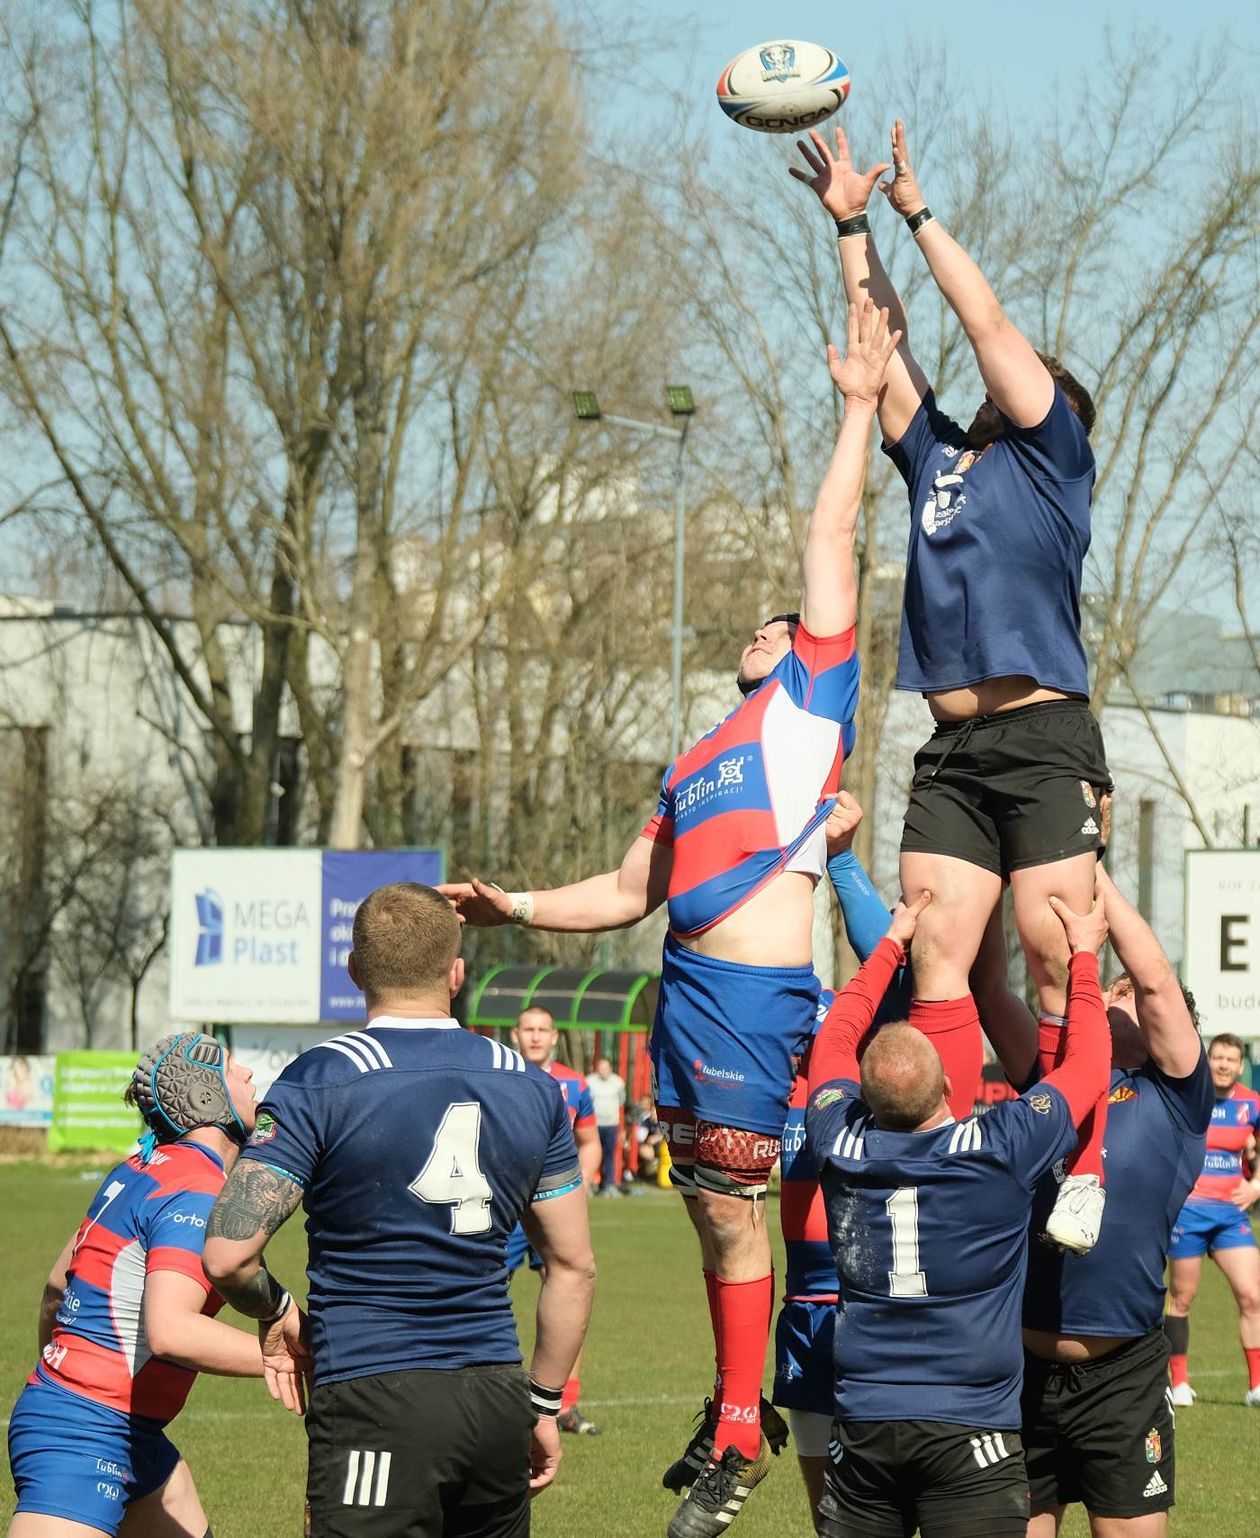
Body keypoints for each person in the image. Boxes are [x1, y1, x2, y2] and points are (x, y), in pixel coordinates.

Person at [440, 300, 900, 1538]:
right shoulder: (697, 756)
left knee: (741, 1209)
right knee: (729, 1208)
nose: (765, 624)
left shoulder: (810, 703)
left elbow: (832, 526)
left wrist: (858, 404)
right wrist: (517, 902)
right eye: (753, 624)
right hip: (687, 992)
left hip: (757, 1000)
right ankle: (747, 1399)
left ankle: (745, 1426)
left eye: (780, 618)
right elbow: (629, 889)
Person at [791, 118, 1111, 1252]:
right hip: (953, 749)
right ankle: (942, 1152)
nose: (1001, 386)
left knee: (1056, 947)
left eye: (1027, 384)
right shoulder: (943, 462)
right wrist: (848, 225)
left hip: (1044, 737)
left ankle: (1085, 1162)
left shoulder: (1056, 463)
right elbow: (882, 350)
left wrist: (920, 213)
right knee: (938, 948)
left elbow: (982, 325)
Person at [201, 882, 596, 1538]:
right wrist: (544, 1405)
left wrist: (278, 1315)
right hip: (496, 1396)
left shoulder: (321, 1078)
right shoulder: (533, 1086)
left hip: (373, 1391)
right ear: (457, 972)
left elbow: (227, 1253)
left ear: (355, 971)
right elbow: (573, 1267)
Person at [805, 880, 1112, 1538]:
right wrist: (1083, 957)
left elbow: (832, 1043)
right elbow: (1089, 1064)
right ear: (949, 1082)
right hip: (971, 1430)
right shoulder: (998, 1147)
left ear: (862, 1096)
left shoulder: (837, 1140)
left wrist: (891, 943)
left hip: (863, 1424)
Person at [977, 863, 1212, 1535]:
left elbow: (1158, 979)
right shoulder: (1055, 1081)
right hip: (1018, 1371)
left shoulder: (1176, 1097)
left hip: (1123, 1378)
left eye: (1125, 989)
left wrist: (1086, 868)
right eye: (1110, 983)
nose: (1117, 989)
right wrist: (992, 874)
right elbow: (991, 991)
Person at [7, 1033, 298, 1538]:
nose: (250, 1076)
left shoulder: (137, 1168)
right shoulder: (198, 1188)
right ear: (209, 1099)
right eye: (233, 1068)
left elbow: (57, 1287)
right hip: (84, 1437)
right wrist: (293, 1356)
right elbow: (171, 1331)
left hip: (121, 1431)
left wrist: (63, 1384)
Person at [507, 1006, 603, 1435]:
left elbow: (590, 1142)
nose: (535, 1036)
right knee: (489, 1294)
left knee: (570, 1292)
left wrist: (578, 1186)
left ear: (555, 1037)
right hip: (506, 1207)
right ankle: (496, 1395)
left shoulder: (574, 1084)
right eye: (528, 1029)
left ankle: (565, 1404)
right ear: (515, 1035)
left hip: (555, 1206)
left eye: (543, 1029)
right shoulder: (498, 1074)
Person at [1164, 1031, 1260, 1407]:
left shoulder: (1251, 1105)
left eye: (1231, 1059)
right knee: (1182, 1297)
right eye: (1217, 1057)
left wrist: (1256, 1186)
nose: (1223, 1065)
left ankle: (1255, 1388)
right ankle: (1180, 1383)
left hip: (1230, 1216)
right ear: (1208, 1059)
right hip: (1189, 1212)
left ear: (1240, 1066)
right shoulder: (1191, 1098)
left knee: (1252, 1296)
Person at [587, 1056, 627, 1196]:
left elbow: (621, 1100)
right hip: (593, 1125)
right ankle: (589, 1185)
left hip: (611, 1125)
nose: (603, 1070)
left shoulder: (618, 1082)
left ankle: (608, 1185)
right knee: (591, 1155)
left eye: (605, 1067)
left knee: (609, 1155)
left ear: (610, 1068)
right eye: (600, 1067)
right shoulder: (589, 1081)